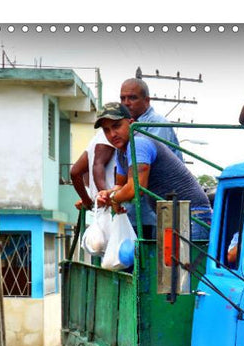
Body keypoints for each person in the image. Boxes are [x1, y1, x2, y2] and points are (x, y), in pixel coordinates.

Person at [93, 103, 209, 238]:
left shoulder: (138, 143)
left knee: (187, 259)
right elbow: (120, 186)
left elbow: (135, 189)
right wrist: (105, 194)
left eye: (116, 126)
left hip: (193, 215)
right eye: (106, 130)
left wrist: (113, 199)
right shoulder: (121, 151)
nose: (112, 134)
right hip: (170, 214)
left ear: (131, 123)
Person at [120, 78, 182, 158]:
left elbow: (147, 159)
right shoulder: (124, 123)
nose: (126, 103)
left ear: (147, 101)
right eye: (122, 98)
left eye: (132, 98)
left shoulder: (157, 124)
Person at [70, 128, 116, 211]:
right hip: (112, 205)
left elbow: (75, 172)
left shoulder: (100, 135)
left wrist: (87, 201)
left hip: (100, 206)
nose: (112, 133)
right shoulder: (110, 135)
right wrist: (103, 195)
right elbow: (98, 164)